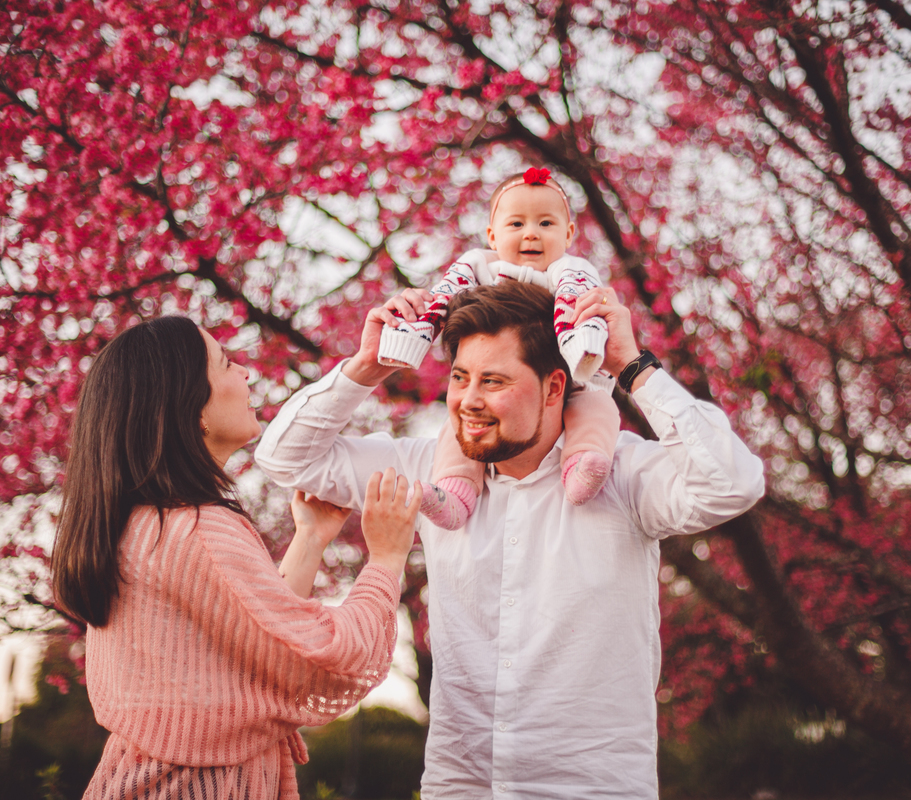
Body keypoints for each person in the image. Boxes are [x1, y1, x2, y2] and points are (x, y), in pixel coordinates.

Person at [256, 280, 766, 798]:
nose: (468, 402)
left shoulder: (623, 475)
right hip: (459, 786)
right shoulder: (424, 471)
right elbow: (284, 459)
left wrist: (634, 367)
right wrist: (368, 364)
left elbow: (733, 483)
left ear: (553, 387)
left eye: (494, 382)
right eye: (460, 377)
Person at [51, 316, 422, 800]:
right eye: (226, 364)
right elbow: (323, 658)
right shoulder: (198, 527)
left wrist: (308, 540)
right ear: (191, 405)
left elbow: (256, 649)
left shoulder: (142, 524)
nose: (246, 373)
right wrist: (387, 558)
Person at [377, 167, 620, 529]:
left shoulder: (572, 271)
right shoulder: (478, 267)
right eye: (516, 224)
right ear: (492, 235)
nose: (531, 234)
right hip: (518, 376)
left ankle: (582, 460)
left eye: (546, 224)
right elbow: (441, 299)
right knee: (459, 428)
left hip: (575, 372)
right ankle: (455, 489)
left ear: (568, 234)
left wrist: (587, 349)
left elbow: (581, 309)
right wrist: (406, 340)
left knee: (597, 408)